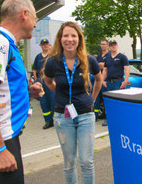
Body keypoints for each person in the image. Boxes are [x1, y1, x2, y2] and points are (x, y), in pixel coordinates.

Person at [0, 0, 43, 184]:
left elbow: (0, 90)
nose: (35, 24)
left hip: (2, 136)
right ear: (24, 14)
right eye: (35, 17)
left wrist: (28, 93)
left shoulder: (4, 43)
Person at [43, 21, 102, 184]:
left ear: (79, 39)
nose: (69, 39)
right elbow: (48, 82)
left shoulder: (88, 60)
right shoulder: (53, 62)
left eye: (73, 35)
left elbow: (99, 79)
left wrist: (93, 98)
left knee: (86, 162)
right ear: (60, 39)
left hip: (85, 115)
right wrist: (60, 93)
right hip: (63, 116)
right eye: (66, 35)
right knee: (69, 163)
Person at [102, 40, 130, 126]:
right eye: (111, 45)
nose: (113, 46)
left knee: (118, 102)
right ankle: (108, 119)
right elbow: (105, 70)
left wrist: (125, 81)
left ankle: (119, 119)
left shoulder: (122, 57)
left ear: (117, 46)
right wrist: (102, 80)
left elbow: (127, 69)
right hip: (109, 83)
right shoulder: (107, 58)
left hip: (118, 82)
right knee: (108, 101)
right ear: (109, 47)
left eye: (114, 45)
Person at [32, 38, 55, 129]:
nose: (45, 45)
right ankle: (48, 121)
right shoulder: (38, 56)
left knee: (53, 100)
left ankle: (56, 120)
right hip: (40, 81)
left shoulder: (53, 56)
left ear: (49, 45)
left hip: (51, 80)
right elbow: (34, 69)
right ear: (41, 46)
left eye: (47, 44)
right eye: (43, 44)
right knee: (43, 101)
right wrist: (36, 79)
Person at [94, 39, 110, 120]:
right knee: (96, 98)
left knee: (105, 99)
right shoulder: (99, 56)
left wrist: (102, 65)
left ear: (107, 45)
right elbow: (95, 67)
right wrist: (101, 65)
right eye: (101, 44)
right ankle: (95, 116)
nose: (102, 46)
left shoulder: (110, 55)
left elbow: (109, 67)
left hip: (105, 80)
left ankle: (107, 118)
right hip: (97, 80)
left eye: (104, 44)